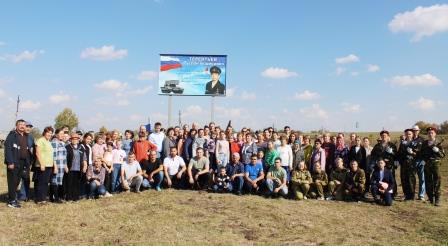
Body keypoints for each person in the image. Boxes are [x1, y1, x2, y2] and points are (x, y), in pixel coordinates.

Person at [4, 119, 32, 208]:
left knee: (17, 182)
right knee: (12, 182)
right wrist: (10, 162)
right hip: (14, 162)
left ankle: (13, 198)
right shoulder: (12, 135)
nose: (22, 126)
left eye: (24, 124)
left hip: (22, 162)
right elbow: (8, 149)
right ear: (16, 126)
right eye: (20, 124)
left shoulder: (25, 136)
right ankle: (11, 201)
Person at [421, 127, 445, 206]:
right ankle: (431, 199)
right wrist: (423, 159)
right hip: (427, 164)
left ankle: (437, 199)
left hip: (436, 164)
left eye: (432, 132)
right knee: (428, 181)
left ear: (435, 134)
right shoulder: (424, 143)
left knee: (437, 181)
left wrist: (438, 151)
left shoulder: (439, 143)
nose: (430, 134)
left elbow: (442, 155)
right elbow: (422, 153)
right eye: (429, 133)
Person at [371, 130, 398, 198]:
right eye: (382, 136)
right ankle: (380, 193)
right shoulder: (377, 146)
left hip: (389, 166)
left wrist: (391, 152)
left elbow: (396, 155)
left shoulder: (392, 145)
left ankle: (392, 194)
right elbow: (373, 155)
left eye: (385, 136)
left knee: (392, 180)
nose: (384, 137)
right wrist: (374, 163)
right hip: (379, 166)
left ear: (388, 136)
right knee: (380, 180)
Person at [34, 127, 55, 204]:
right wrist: (42, 164)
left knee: (46, 183)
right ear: (44, 132)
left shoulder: (48, 142)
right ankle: (39, 200)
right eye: (48, 132)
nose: (49, 134)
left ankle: (43, 199)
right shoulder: (40, 140)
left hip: (49, 165)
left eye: (51, 133)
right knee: (41, 183)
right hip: (42, 165)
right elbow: (37, 153)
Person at [65, 133, 88, 201]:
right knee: (69, 184)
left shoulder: (81, 147)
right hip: (70, 168)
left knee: (76, 184)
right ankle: (69, 198)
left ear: (78, 140)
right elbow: (65, 159)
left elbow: (84, 158)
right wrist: (66, 167)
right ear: (71, 140)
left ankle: (75, 198)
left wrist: (85, 166)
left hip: (78, 169)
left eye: (76, 139)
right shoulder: (67, 147)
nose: (75, 140)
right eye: (73, 139)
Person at [18, 121, 35, 202]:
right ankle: (13, 196)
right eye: (27, 126)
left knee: (26, 179)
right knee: (17, 179)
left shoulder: (31, 137)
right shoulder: (19, 136)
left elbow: (33, 149)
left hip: (27, 161)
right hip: (19, 161)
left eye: (30, 127)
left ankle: (24, 196)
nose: (28, 128)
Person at [398, 129, 417, 200]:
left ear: (412, 135)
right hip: (403, 164)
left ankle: (411, 196)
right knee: (404, 179)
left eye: (409, 134)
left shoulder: (415, 143)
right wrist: (397, 160)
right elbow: (399, 153)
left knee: (411, 180)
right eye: (406, 134)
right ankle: (406, 195)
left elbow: (419, 154)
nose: (408, 135)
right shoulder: (403, 143)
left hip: (411, 164)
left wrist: (412, 153)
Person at [50, 129, 68, 203]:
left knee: (58, 182)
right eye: (60, 133)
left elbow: (64, 156)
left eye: (63, 133)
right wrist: (55, 166)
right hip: (57, 165)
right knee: (54, 181)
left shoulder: (62, 143)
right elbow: (53, 155)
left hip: (62, 165)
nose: (62, 135)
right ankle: (55, 198)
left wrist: (66, 166)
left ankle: (56, 197)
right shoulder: (54, 142)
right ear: (56, 134)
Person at [411, 125, 426, 201]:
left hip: (420, 161)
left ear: (419, 131)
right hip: (412, 161)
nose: (415, 132)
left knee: (422, 179)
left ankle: (421, 195)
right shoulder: (410, 139)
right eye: (413, 130)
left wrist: (424, 160)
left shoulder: (422, 140)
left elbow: (425, 151)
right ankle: (411, 194)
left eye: (416, 130)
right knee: (412, 179)